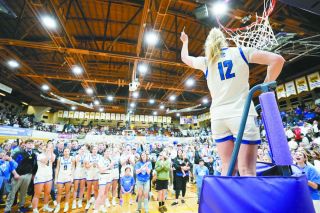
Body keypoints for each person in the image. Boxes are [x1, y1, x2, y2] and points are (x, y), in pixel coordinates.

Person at [180, 27, 285, 176]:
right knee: (246, 170)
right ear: (224, 40)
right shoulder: (241, 51)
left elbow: (185, 58)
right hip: (242, 114)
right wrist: (266, 84)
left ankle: (227, 200)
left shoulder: (207, 61)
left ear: (208, 44)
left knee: (228, 167)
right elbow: (277, 60)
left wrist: (185, 41)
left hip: (218, 118)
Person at [5, 139, 37, 213]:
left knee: (23, 192)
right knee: (12, 193)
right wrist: (15, 174)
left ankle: (21, 206)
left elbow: (35, 165)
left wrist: (33, 174)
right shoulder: (18, 153)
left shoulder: (34, 154)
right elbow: (11, 164)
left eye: (32, 143)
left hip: (28, 176)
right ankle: (7, 209)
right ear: (25, 144)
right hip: (17, 175)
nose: (30, 145)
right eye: (29, 143)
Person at [32, 142, 56, 213]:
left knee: (47, 193)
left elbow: (52, 160)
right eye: (47, 147)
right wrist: (48, 152)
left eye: (50, 148)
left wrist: (51, 151)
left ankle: (46, 206)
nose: (48, 149)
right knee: (37, 194)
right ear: (44, 148)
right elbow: (45, 161)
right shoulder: (39, 155)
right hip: (40, 176)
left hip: (48, 176)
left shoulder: (53, 154)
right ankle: (35, 209)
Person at [54, 148, 75, 213]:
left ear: (69, 152)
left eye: (68, 151)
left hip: (68, 177)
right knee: (59, 193)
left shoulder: (72, 158)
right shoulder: (60, 158)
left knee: (67, 192)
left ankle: (66, 204)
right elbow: (57, 168)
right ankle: (58, 206)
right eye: (65, 151)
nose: (66, 152)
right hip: (60, 177)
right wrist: (56, 178)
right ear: (63, 152)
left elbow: (73, 168)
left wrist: (72, 177)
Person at [84, 146, 101, 210]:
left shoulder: (100, 156)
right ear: (92, 150)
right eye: (94, 149)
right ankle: (88, 202)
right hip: (89, 174)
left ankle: (96, 203)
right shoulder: (88, 156)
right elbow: (86, 166)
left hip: (96, 174)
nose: (95, 150)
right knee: (89, 189)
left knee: (96, 189)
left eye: (96, 149)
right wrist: (92, 163)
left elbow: (101, 166)